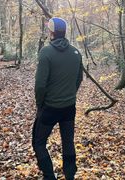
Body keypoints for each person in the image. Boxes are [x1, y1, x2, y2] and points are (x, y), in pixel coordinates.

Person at [32, 17, 83, 180]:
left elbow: (40, 85)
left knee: (38, 142)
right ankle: (70, 176)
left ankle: (49, 176)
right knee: (68, 141)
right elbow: (79, 79)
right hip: (69, 108)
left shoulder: (46, 52)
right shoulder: (76, 52)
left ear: (51, 32)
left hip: (50, 108)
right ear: (64, 32)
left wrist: (40, 105)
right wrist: (70, 94)